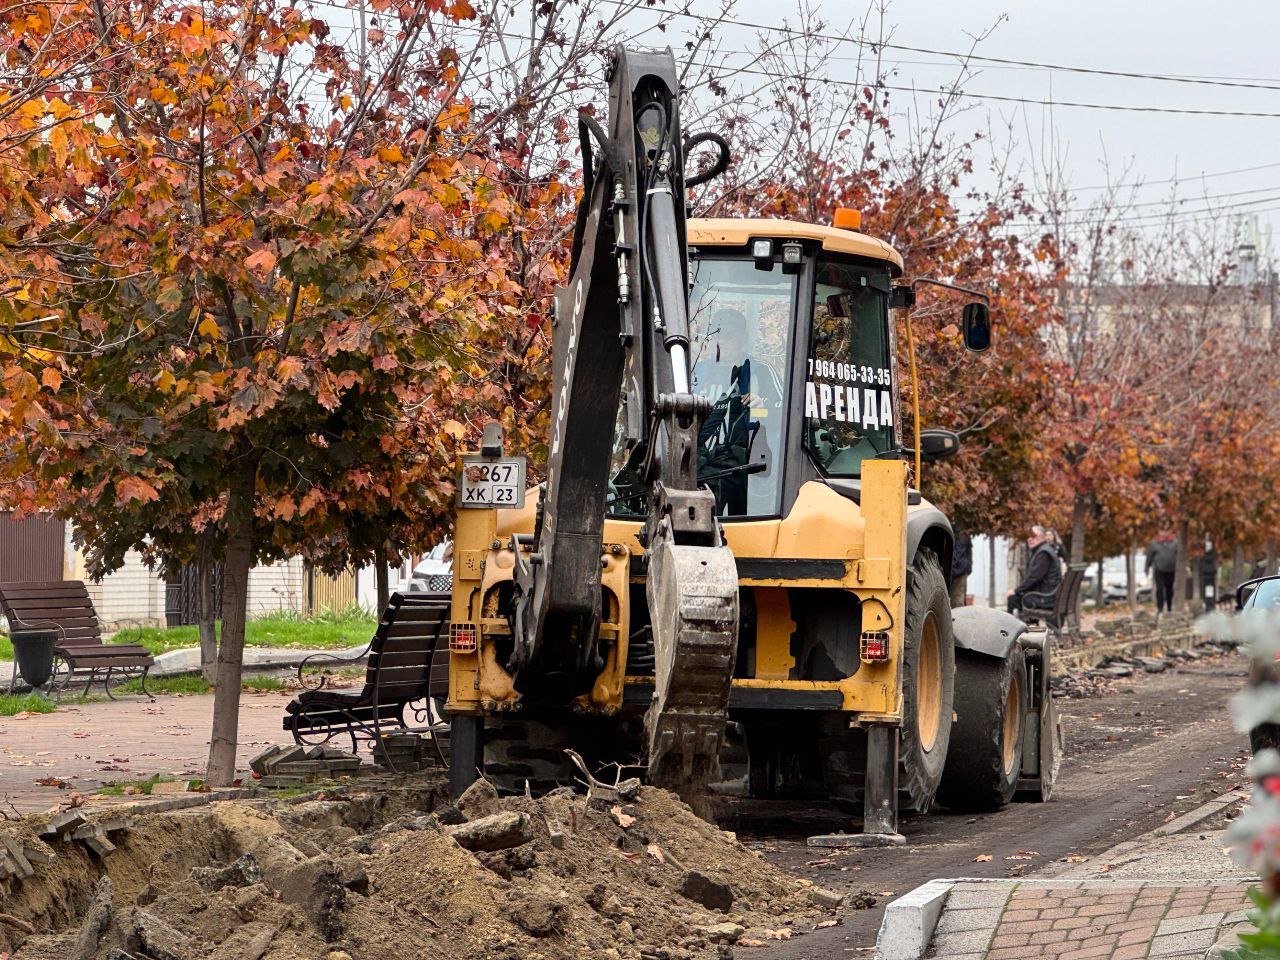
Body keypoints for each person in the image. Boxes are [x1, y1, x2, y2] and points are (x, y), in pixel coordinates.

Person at [1007, 526, 1063, 617]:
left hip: (1045, 599)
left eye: (1033, 536)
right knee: (1019, 597)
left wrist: (1016, 591)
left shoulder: (1043, 553)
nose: (1030, 539)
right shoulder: (1044, 550)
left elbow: (1034, 577)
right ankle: (1026, 626)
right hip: (1048, 596)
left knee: (1013, 598)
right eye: (1028, 537)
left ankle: (1008, 629)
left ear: (1041, 538)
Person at [1145, 531, 1179, 614]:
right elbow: (1149, 556)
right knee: (1160, 588)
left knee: (1169, 589)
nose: (1164, 533)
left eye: (1166, 531)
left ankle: (1169, 607)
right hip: (1159, 569)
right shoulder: (1154, 543)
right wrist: (1147, 567)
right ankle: (1160, 608)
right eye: (1162, 531)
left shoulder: (1175, 543)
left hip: (1171, 570)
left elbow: (1179, 555)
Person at [950, 531, 972, 608]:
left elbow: (965, 551)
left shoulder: (963, 533)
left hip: (960, 571)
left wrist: (967, 567)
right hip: (958, 570)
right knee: (957, 602)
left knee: (957, 602)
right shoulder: (964, 532)